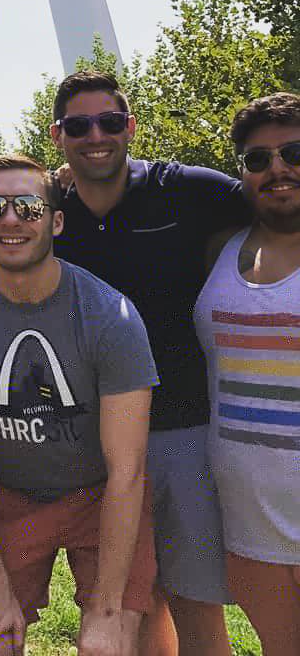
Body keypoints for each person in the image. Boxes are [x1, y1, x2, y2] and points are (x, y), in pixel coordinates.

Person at [0, 154, 159, 656]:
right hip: (5, 495)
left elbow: (127, 469)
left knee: (115, 646)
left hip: (100, 494)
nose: (11, 219)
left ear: (56, 220)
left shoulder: (109, 315)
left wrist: (110, 610)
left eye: (28, 207)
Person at [49, 70, 250, 656]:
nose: (96, 136)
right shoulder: (48, 212)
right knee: (133, 605)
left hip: (184, 432)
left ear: (131, 127)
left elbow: (276, 198)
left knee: (195, 607)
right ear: (59, 134)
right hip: (93, 445)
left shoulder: (188, 190)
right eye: (80, 125)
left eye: (110, 122)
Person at [194, 93, 300, 655]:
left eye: (293, 152)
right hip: (250, 520)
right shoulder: (219, 249)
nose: (277, 169)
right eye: (258, 159)